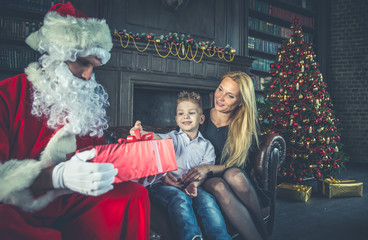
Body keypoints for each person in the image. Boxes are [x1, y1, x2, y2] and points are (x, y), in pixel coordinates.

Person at [0, 2, 149, 240]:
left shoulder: (85, 102)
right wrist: (55, 176)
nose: (88, 76)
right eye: (83, 62)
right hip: (19, 206)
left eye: (94, 66)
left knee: (133, 194)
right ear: (58, 55)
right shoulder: (7, 94)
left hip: (69, 201)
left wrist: (135, 168)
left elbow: (96, 160)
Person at [131, 91, 232, 240]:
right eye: (181, 113)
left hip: (191, 186)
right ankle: (191, 237)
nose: (186, 116)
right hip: (163, 187)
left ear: (201, 119)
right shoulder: (171, 137)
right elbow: (157, 139)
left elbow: (203, 172)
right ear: (176, 119)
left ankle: (221, 237)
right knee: (180, 199)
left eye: (191, 113)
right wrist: (142, 132)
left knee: (208, 201)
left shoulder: (207, 146)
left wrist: (195, 185)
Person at [182, 71, 270, 240]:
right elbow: (176, 138)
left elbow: (241, 164)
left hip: (234, 178)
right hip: (205, 179)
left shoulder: (243, 127)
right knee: (219, 185)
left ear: (241, 102)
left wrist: (208, 167)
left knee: (234, 175)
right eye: (220, 89)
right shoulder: (199, 116)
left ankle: (264, 234)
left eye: (229, 96)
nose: (220, 98)